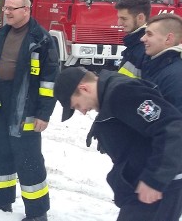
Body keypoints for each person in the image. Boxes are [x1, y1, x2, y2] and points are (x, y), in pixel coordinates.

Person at [54, 67, 182, 221]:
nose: (82, 111)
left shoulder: (123, 92)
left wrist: (155, 179)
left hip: (159, 188)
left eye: (76, 105)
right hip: (143, 187)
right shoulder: (110, 94)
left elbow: (172, 128)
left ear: (84, 88)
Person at [0, 0, 58, 221]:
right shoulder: (1, 34)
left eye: (13, 8)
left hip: (27, 106)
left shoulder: (41, 39)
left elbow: (50, 82)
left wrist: (43, 114)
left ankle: (37, 212)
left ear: (26, 10)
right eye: (5, 8)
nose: (7, 12)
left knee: (28, 158)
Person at [140, 13, 182, 111]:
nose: (142, 38)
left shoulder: (176, 76)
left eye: (149, 34)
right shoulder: (158, 65)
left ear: (168, 39)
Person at [116, 0, 150, 78]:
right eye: (119, 18)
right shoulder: (134, 44)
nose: (119, 23)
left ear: (140, 18)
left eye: (124, 18)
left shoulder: (146, 48)